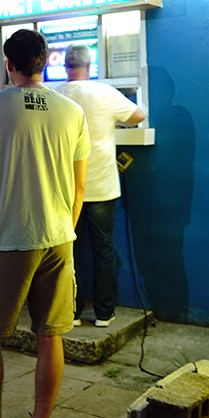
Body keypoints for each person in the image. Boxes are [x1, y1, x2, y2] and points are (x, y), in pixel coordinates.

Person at [0, 29, 89, 418]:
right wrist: (62, 228)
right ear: (45, 61)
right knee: (50, 335)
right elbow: (79, 186)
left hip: (7, 238)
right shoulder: (71, 110)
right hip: (57, 237)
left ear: (8, 63)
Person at [57, 44, 147, 328]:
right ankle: (104, 313)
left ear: (65, 66)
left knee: (69, 251)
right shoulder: (105, 92)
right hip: (101, 187)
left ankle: (72, 311)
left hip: (66, 190)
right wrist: (112, 125)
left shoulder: (54, 96)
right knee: (103, 249)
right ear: (90, 64)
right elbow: (138, 116)